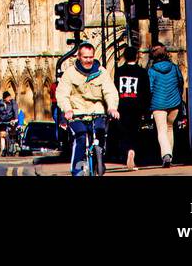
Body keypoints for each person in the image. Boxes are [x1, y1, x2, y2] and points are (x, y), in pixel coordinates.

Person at [56, 41, 120, 177]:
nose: (89, 60)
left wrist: (112, 108)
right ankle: (77, 169)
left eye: (91, 57)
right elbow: (62, 94)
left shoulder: (101, 72)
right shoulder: (69, 73)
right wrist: (67, 110)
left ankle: (99, 157)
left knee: (100, 130)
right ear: (79, 57)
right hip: (76, 112)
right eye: (85, 57)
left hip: (97, 111)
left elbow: (110, 91)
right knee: (80, 135)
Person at [113, 45, 150, 170]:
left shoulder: (119, 71)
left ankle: (127, 151)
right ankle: (132, 151)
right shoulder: (142, 72)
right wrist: (146, 108)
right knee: (135, 131)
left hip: (122, 105)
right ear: (137, 56)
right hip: (137, 106)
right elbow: (146, 91)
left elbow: (115, 89)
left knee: (124, 132)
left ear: (124, 57)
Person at [147, 44, 185, 167]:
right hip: (174, 102)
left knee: (161, 130)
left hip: (158, 104)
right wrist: (177, 95)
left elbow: (150, 88)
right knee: (169, 128)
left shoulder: (151, 71)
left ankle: (166, 155)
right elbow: (181, 82)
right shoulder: (174, 68)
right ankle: (170, 156)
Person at [0, 88, 18, 156]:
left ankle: (12, 147)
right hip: (2, 121)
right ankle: (2, 150)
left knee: (12, 134)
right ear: (4, 98)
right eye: (8, 97)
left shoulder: (12, 102)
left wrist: (16, 119)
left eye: (10, 97)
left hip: (11, 120)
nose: (9, 98)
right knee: (2, 135)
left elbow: (15, 110)